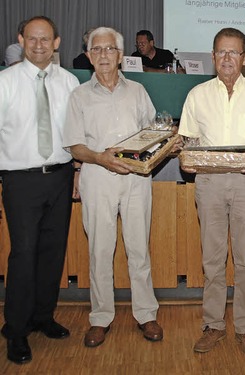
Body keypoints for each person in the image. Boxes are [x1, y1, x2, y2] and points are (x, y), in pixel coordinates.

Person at [63, 27, 165, 349]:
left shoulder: (137, 91)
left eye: (110, 49)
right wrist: (100, 158)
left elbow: (153, 131)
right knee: (100, 251)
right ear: (89, 56)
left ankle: (146, 314)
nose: (104, 55)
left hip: (136, 181)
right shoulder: (78, 96)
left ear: (121, 56)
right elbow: (74, 146)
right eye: (97, 49)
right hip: (98, 178)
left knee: (139, 249)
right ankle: (100, 317)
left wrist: (165, 140)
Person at [178, 27, 245, 356]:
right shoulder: (197, 95)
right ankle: (214, 324)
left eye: (234, 53)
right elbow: (188, 142)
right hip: (209, 183)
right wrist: (186, 160)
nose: (227, 58)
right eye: (221, 52)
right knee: (212, 258)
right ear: (213, 57)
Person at [0, 16, 79, 365]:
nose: (38, 45)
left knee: (52, 251)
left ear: (57, 43)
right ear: (20, 40)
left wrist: (76, 171)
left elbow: (77, 135)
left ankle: (42, 317)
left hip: (60, 177)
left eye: (45, 40)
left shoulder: (71, 82)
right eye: (32, 39)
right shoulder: (4, 82)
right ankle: (15, 330)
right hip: (20, 180)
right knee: (23, 253)